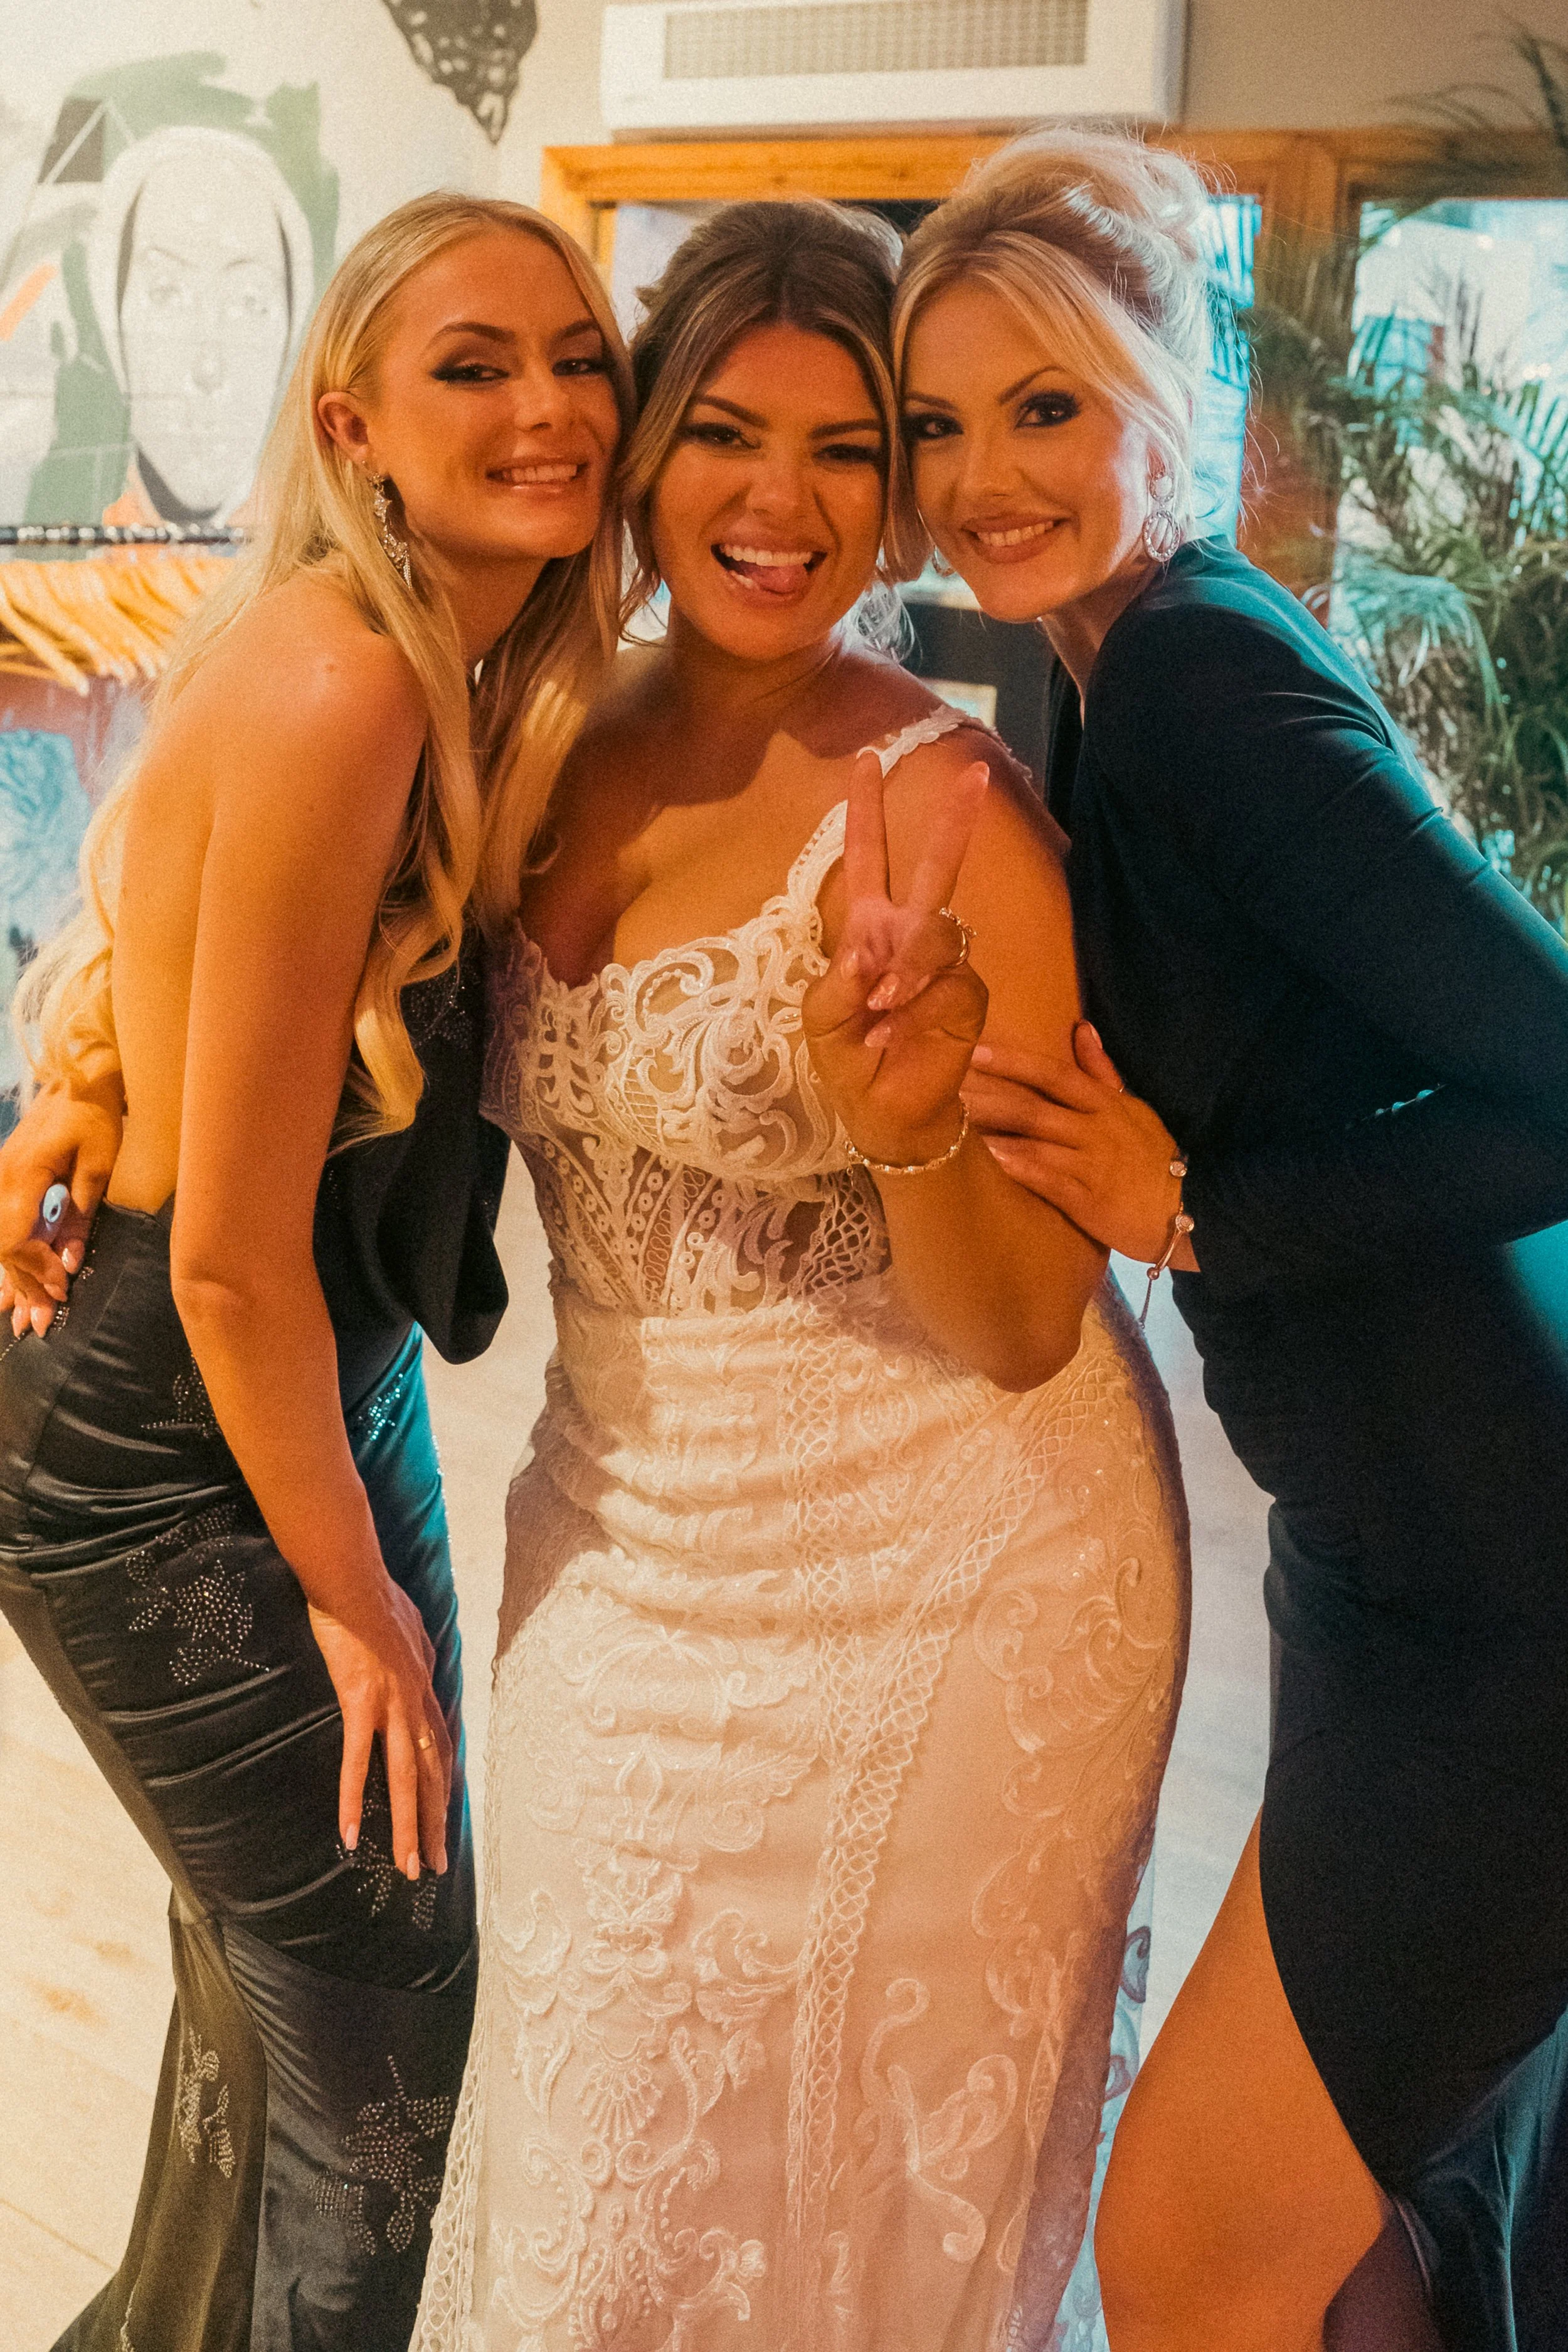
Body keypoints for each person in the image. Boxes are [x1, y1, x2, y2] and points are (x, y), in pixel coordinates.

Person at [412, 198, 1189, 2352]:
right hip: (615, 1557)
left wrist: (901, 1109)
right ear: (642, 454)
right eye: (726, 436)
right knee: (591, 2194)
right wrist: (84, 1103)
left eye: (848, 445)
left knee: (827, 2222)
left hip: (950, 1588)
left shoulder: (949, 813)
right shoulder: (538, 728)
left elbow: (1024, 1322)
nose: (782, 502)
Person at [894, 127, 1568, 2352]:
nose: (982, 475)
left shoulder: (1186, 667)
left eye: (1046, 406)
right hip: (1409, 1549)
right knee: (1374, 2217)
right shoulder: (1111, 674)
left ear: (1165, 404)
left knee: (1187, 2254)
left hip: (1501, 1591)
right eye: (941, 424)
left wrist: (1204, 1209)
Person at [0, 189, 630, 2351]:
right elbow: (235, 1266)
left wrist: (72, 1090)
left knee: (276, 2003)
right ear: (358, 421)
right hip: (170, 1435)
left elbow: (182, 1019)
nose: (550, 406)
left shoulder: (438, 662)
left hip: (305, 1379)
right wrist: (355, 1598)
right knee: (380, 2031)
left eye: (579, 358)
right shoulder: (348, 679)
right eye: (478, 366)